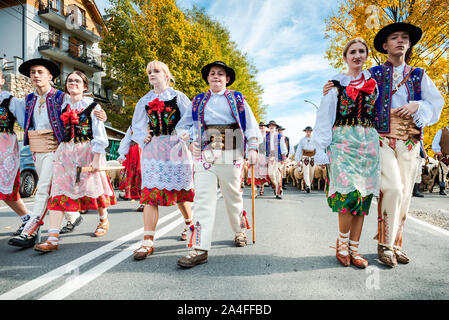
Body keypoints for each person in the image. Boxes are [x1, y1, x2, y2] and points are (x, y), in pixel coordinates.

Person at [323, 23, 444, 267]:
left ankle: (396, 243)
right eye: (394, 38)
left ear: (409, 44)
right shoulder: (373, 74)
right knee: (393, 189)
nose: (400, 41)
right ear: (385, 46)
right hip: (380, 139)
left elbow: (436, 105)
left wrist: (417, 106)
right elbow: (350, 81)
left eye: (405, 38)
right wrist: (332, 85)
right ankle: (385, 245)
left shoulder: (420, 75)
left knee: (405, 195)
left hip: (409, 141)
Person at [8, 58, 107, 248]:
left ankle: (31, 230)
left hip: (58, 148)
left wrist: (101, 115)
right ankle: (73, 216)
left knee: (44, 188)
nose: (35, 75)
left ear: (50, 76)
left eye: (40, 72)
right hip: (38, 148)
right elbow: (19, 118)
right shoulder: (29, 99)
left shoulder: (60, 96)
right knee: (58, 189)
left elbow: (84, 105)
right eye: (32, 73)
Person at [175, 61, 262, 268]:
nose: (216, 77)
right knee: (204, 199)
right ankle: (199, 248)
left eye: (220, 74)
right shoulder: (197, 101)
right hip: (205, 154)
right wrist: (188, 138)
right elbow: (183, 126)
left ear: (227, 79)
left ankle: (239, 230)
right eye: (212, 74)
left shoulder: (237, 98)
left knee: (233, 197)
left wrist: (252, 147)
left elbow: (250, 124)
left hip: (232, 151)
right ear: (207, 78)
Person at [314, 38, 380, 269]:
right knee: (347, 196)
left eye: (362, 51)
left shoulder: (374, 85)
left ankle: (355, 249)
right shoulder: (335, 86)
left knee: (362, 199)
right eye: (352, 51)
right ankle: (341, 245)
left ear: (366, 56)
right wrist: (321, 149)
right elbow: (324, 118)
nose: (357, 55)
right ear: (345, 57)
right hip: (343, 144)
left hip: (369, 145)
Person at [33, 71, 116, 252]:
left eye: (77, 81)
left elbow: (100, 135)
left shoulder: (93, 106)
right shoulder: (61, 105)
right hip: (65, 153)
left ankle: (103, 220)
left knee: (95, 190)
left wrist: (96, 159)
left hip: (87, 151)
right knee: (59, 192)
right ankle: (52, 237)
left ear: (85, 86)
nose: (73, 83)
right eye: (70, 80)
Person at [130, 60, 195, 260]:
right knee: (150, 194)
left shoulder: (179, 97)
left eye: (156, 71)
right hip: (154, 150)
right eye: (149, 71)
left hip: (176, 149)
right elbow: (137, 126)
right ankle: (148, 241)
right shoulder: (144, 100)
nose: (152, 74)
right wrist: (143, 137)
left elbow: (191, 120)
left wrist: (186, 135)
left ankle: (189, 223)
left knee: (182, 195)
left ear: (167, 75)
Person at [0, 69, 34, 236]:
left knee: (7, 192)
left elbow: (26, 123)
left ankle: (27, 218)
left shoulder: (10, 101)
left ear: (1, 80)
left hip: (4, 150)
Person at [117, 126, 144, 210]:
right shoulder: (133, 125)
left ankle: (145, 203)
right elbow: (126, 139)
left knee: (143, 175)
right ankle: (143, 202)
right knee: (133, 176)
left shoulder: (152, 120)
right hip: (133, 152)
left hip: (144, 151)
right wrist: (121, 154)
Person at [266, 120, 288, 199]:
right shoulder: (267, 136)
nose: (271, 127)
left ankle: (278, 192)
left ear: (275, 127)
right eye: (270, 125)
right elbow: (265, 148)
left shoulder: (279, 136)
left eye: (273, 126)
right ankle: (277, 187)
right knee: (271, 174)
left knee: (278, 176)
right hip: (270, 157)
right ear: (268, 127)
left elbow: (283, 147)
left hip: (278, 158)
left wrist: (283, 159)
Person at [247, 122, 269, 196]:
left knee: (262, 174)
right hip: (254, 156)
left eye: (263, 126)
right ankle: (254, 191)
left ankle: (262, 187)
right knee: (253, 173)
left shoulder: (267, 136)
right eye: (260, 126)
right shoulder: (255, 136)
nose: (261, 127)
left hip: (263, 156)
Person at [294, 126, 316, 193]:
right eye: (307, 131)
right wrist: (298, 160)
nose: (308, 132)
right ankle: (308, 185)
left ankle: (310, 183)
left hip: (313, 157)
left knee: (312, 172)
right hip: (305, 157)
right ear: (305, 132)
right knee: (306, 171)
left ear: (311, 132)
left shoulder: (315, 139)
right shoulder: (302, 140)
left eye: (309, 131)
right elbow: (299, 150)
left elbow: (317, 149)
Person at [431, 125, 449, 196]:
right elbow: (435, 143)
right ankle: (442, 189)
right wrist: (438, 151)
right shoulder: (441, 131)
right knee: (443, 172)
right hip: (444, 156)